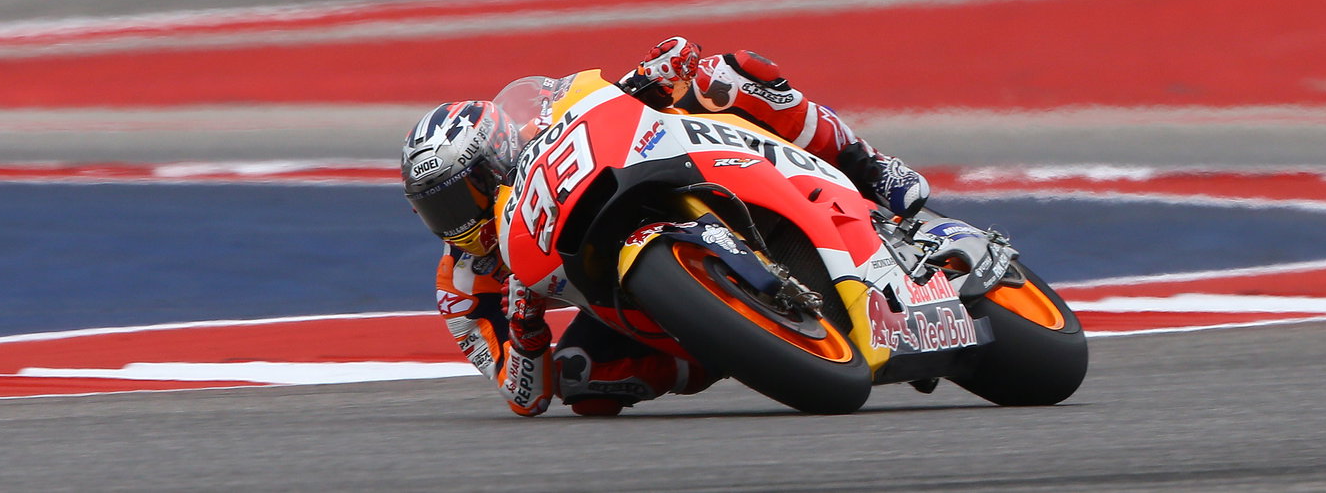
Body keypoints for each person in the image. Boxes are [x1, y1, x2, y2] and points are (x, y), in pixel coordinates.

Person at [399, 36, 931, 417]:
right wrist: (526, 327)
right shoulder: (462, 287)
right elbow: (524, 396)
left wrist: (652, 78)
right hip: (620, 293)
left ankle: (869, 166)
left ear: (496, 159)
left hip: (669, 157)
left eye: (462, 196)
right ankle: (730, 344)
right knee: (581, 376)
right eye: (438, 209)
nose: (457, 221)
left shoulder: (543, 126)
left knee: (728, 74)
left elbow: (600, 106)